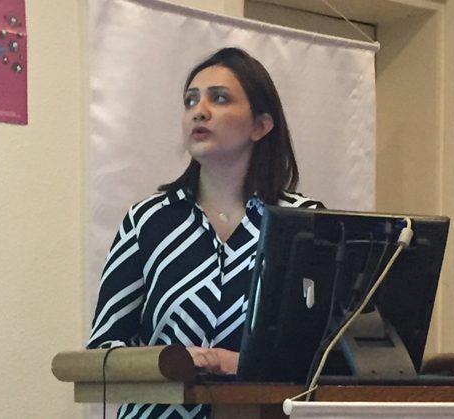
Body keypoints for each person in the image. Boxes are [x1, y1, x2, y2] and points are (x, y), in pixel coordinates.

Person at [87, 47, 324, 418]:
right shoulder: (147, 220)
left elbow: (326, 352)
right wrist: (171, 361)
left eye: (220, 98)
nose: (199, 111)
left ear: (261, 125)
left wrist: (240, 364)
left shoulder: (304, 224)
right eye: (190, 101)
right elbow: (104, 346)